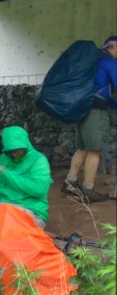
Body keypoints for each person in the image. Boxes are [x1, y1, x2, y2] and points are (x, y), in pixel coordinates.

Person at [62, 36, 117, 203]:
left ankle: (70, 183)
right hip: (95, 111)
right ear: (113, 46)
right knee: (94, 151)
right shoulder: (109, 62)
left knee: (83, 148)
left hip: (82, 107)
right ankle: (88, 190)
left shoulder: (93, 61)